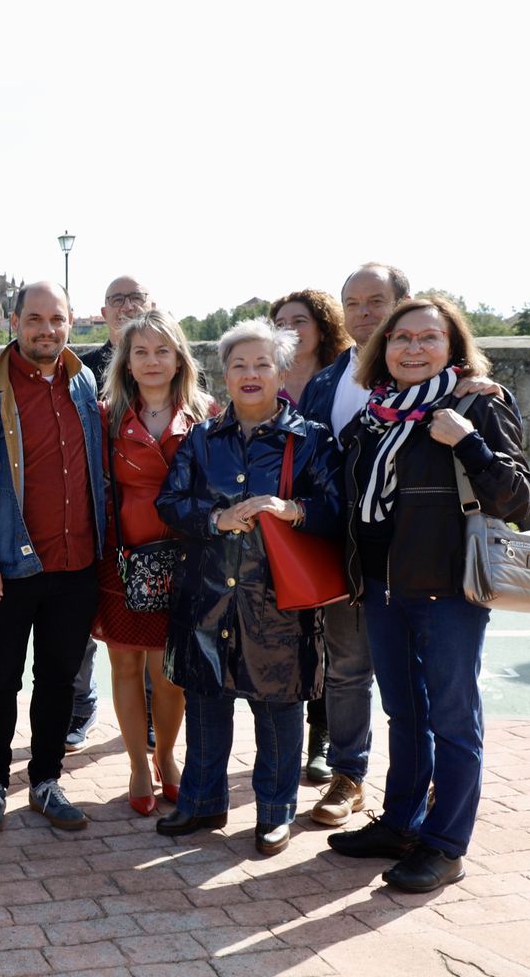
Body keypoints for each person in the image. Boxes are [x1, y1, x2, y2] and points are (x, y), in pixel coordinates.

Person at [328, 297, 530, 892]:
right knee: (405, 712)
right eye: (401, 339)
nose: (413, 349)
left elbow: (518, 501)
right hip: (380, 585)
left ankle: (446, 845)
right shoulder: (373, 414)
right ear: (382, 349)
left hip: (447, 587)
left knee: (452, 716)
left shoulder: (476, 404)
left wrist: (467, 441)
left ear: (453, 348)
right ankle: (400, 823)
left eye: (428, 339)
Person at [154, 319, 342, 856]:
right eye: (239, 364)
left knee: (279, 708)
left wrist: (295, 509)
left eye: (262, 363)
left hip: (276, 601)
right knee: (206, 702)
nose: (250, 374)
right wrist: (216, 520)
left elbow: (337, 511)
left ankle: (274, 812)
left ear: (281, 371)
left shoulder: (312, 441)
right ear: (225, 374)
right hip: (209, 594)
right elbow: (170, 503)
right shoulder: (200, 437)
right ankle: (202, 799)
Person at [0, 281, 107, 836]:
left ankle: (45, 780)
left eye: (57, 319)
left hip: (76, 561)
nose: (47, 329)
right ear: (13, 322)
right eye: (35, 318)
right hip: (7, 565)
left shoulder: (85, 382)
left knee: (59, 679)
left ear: (69, 323)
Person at [91, 311, 216, 815]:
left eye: (162, 351)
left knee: (170, 672)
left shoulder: (205, 413)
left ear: (179, 357)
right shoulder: (107, 414)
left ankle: (166, 755)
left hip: (185, 559)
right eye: (140, 351)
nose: (151, 361)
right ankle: (137, 764)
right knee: (124, 662)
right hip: (124, 559)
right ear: (126, 360)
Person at [294, 264, 406, 822]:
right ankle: (348, 776)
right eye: (354, 303)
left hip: (415, 554)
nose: (364, 313)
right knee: (346, 670)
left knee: (417, 676)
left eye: (376, 301)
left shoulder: (429, 374)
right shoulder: (326, 381)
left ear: (403, 303)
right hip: (347, 553)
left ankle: (423, 783)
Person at [68, 275, 155, 751]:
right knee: (81, 619)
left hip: (147, 523)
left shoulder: (169, 362)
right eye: (116, 300)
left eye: (134, 298)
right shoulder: (83, 369)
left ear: (150, 304)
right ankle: (81, 707)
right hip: (92, 517)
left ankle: (146, 713)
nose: (126, 307)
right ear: (102, 313)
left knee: (148, 623)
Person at [270, 288, 352, 785]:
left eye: (300, 320)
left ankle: (323, 739)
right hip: (278, 523)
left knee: (331, 637)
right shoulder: (266, 372)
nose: (291, 329)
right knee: (291, 634)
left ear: (322, 325)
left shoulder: (348, 373)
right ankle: (288, 741)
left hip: (328, 516)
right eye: (281, 321)